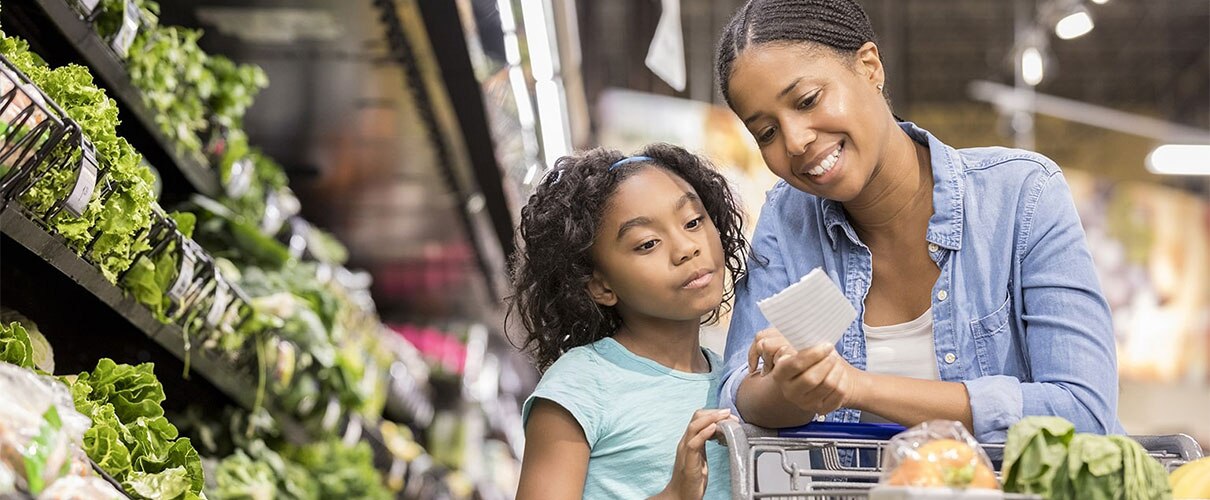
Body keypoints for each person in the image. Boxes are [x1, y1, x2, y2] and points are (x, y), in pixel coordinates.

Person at [713, 0, 1123, 443]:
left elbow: (1082, 411)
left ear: (869, 67)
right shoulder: (786, 218)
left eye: (808, 100)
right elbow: (735, 397)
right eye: (766, 133)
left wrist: (857, 387)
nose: (795, 142)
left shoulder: (1022, 195)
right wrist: (786, 388)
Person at [510, 144, 748, 499]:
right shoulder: (581, 384)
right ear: (601, 286)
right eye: (648, 243)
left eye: (694, 222)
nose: (686, 248)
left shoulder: (735, 380)